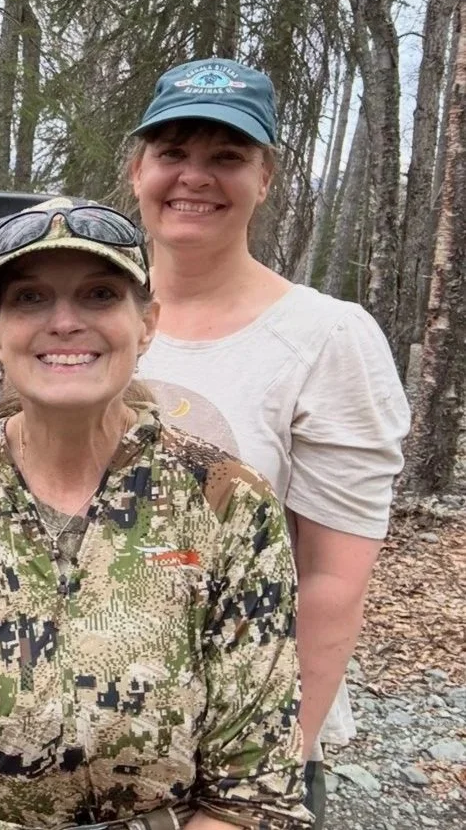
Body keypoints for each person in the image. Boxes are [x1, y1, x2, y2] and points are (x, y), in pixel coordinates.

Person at [0, 198, 313, 830]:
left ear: (146, 322)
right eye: (31, 299)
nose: (65, 322)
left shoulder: (226, 502)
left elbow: (255, 785)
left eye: (99, 295)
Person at [124, 57, 411, 825]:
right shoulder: (82, 318)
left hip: (236, 744)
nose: (195, 177)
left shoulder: (325, 338)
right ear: (137, 168)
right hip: (84, 740)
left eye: (227, 157)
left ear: (266, 177)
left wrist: (260, 782)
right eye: (174, 153)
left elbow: (331, 585)